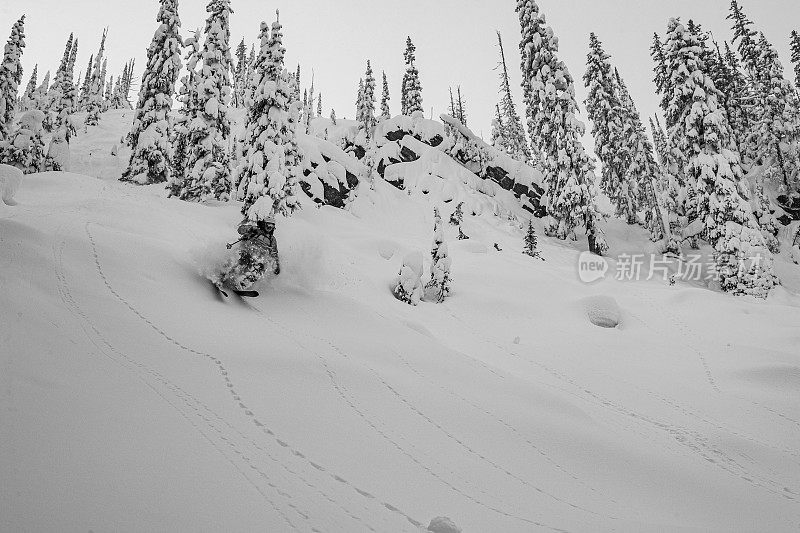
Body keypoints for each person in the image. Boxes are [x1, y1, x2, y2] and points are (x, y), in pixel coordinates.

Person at [219, 216, 280, 292]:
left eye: (272, 226)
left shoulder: (272, 239)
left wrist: (277, 265)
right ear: (264, 224)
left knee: (260, 268)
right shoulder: (257, 231)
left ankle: (243, 283)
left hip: (258, 257)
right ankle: (222, 274)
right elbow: (240, 230)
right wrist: (249, 229)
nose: (269, 227)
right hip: (247, 250)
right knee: (238, 259)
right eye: (268, 225)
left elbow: (274, 253)